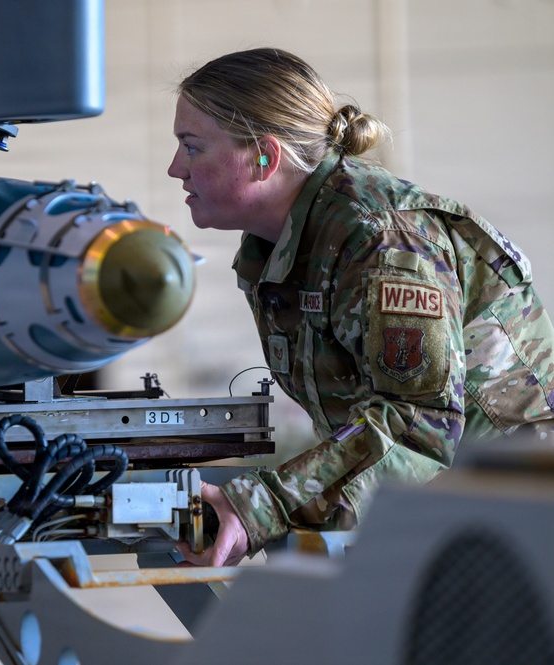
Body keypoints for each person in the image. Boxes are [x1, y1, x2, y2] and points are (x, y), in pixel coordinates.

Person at [167, 48, 554, 567]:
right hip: (449, 510)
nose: (175, 169)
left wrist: (263, 506)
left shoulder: (379, 238)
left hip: (521, 514)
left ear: (264, 155)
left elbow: (419, 422)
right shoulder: (275, 249)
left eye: (192, 148)